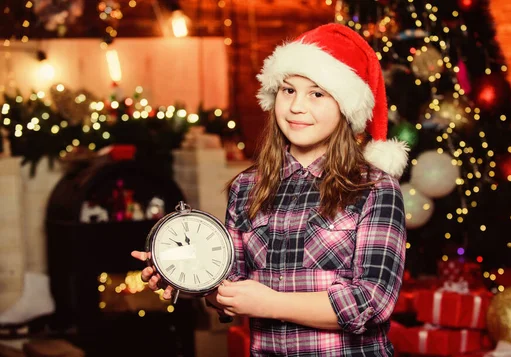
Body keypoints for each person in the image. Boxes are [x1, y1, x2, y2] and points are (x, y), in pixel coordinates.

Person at [132, 23, 409, 356]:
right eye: (288, 90)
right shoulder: (248, 187)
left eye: (317, 94)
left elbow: (371, 302)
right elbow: (229, 286)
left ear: (345, 106)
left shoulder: (375, 188)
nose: (296, 107)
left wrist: (271, 303)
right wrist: (183, 274)